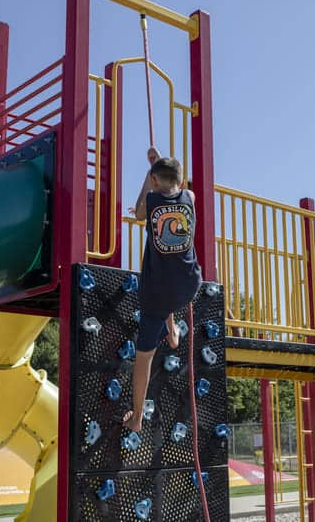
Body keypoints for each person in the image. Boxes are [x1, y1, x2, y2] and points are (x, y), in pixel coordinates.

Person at [123, 148, 202, 432]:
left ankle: (137, 418)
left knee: (144, 356)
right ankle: (172, 333)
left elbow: (139, 212)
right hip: (188, 283)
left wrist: (149, 170)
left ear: (155, 181)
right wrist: (157, 168)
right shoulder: (190, 198)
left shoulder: (153, 201)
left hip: (157, 290)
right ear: (180, 182)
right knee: (168, 296)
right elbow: (178, 189)